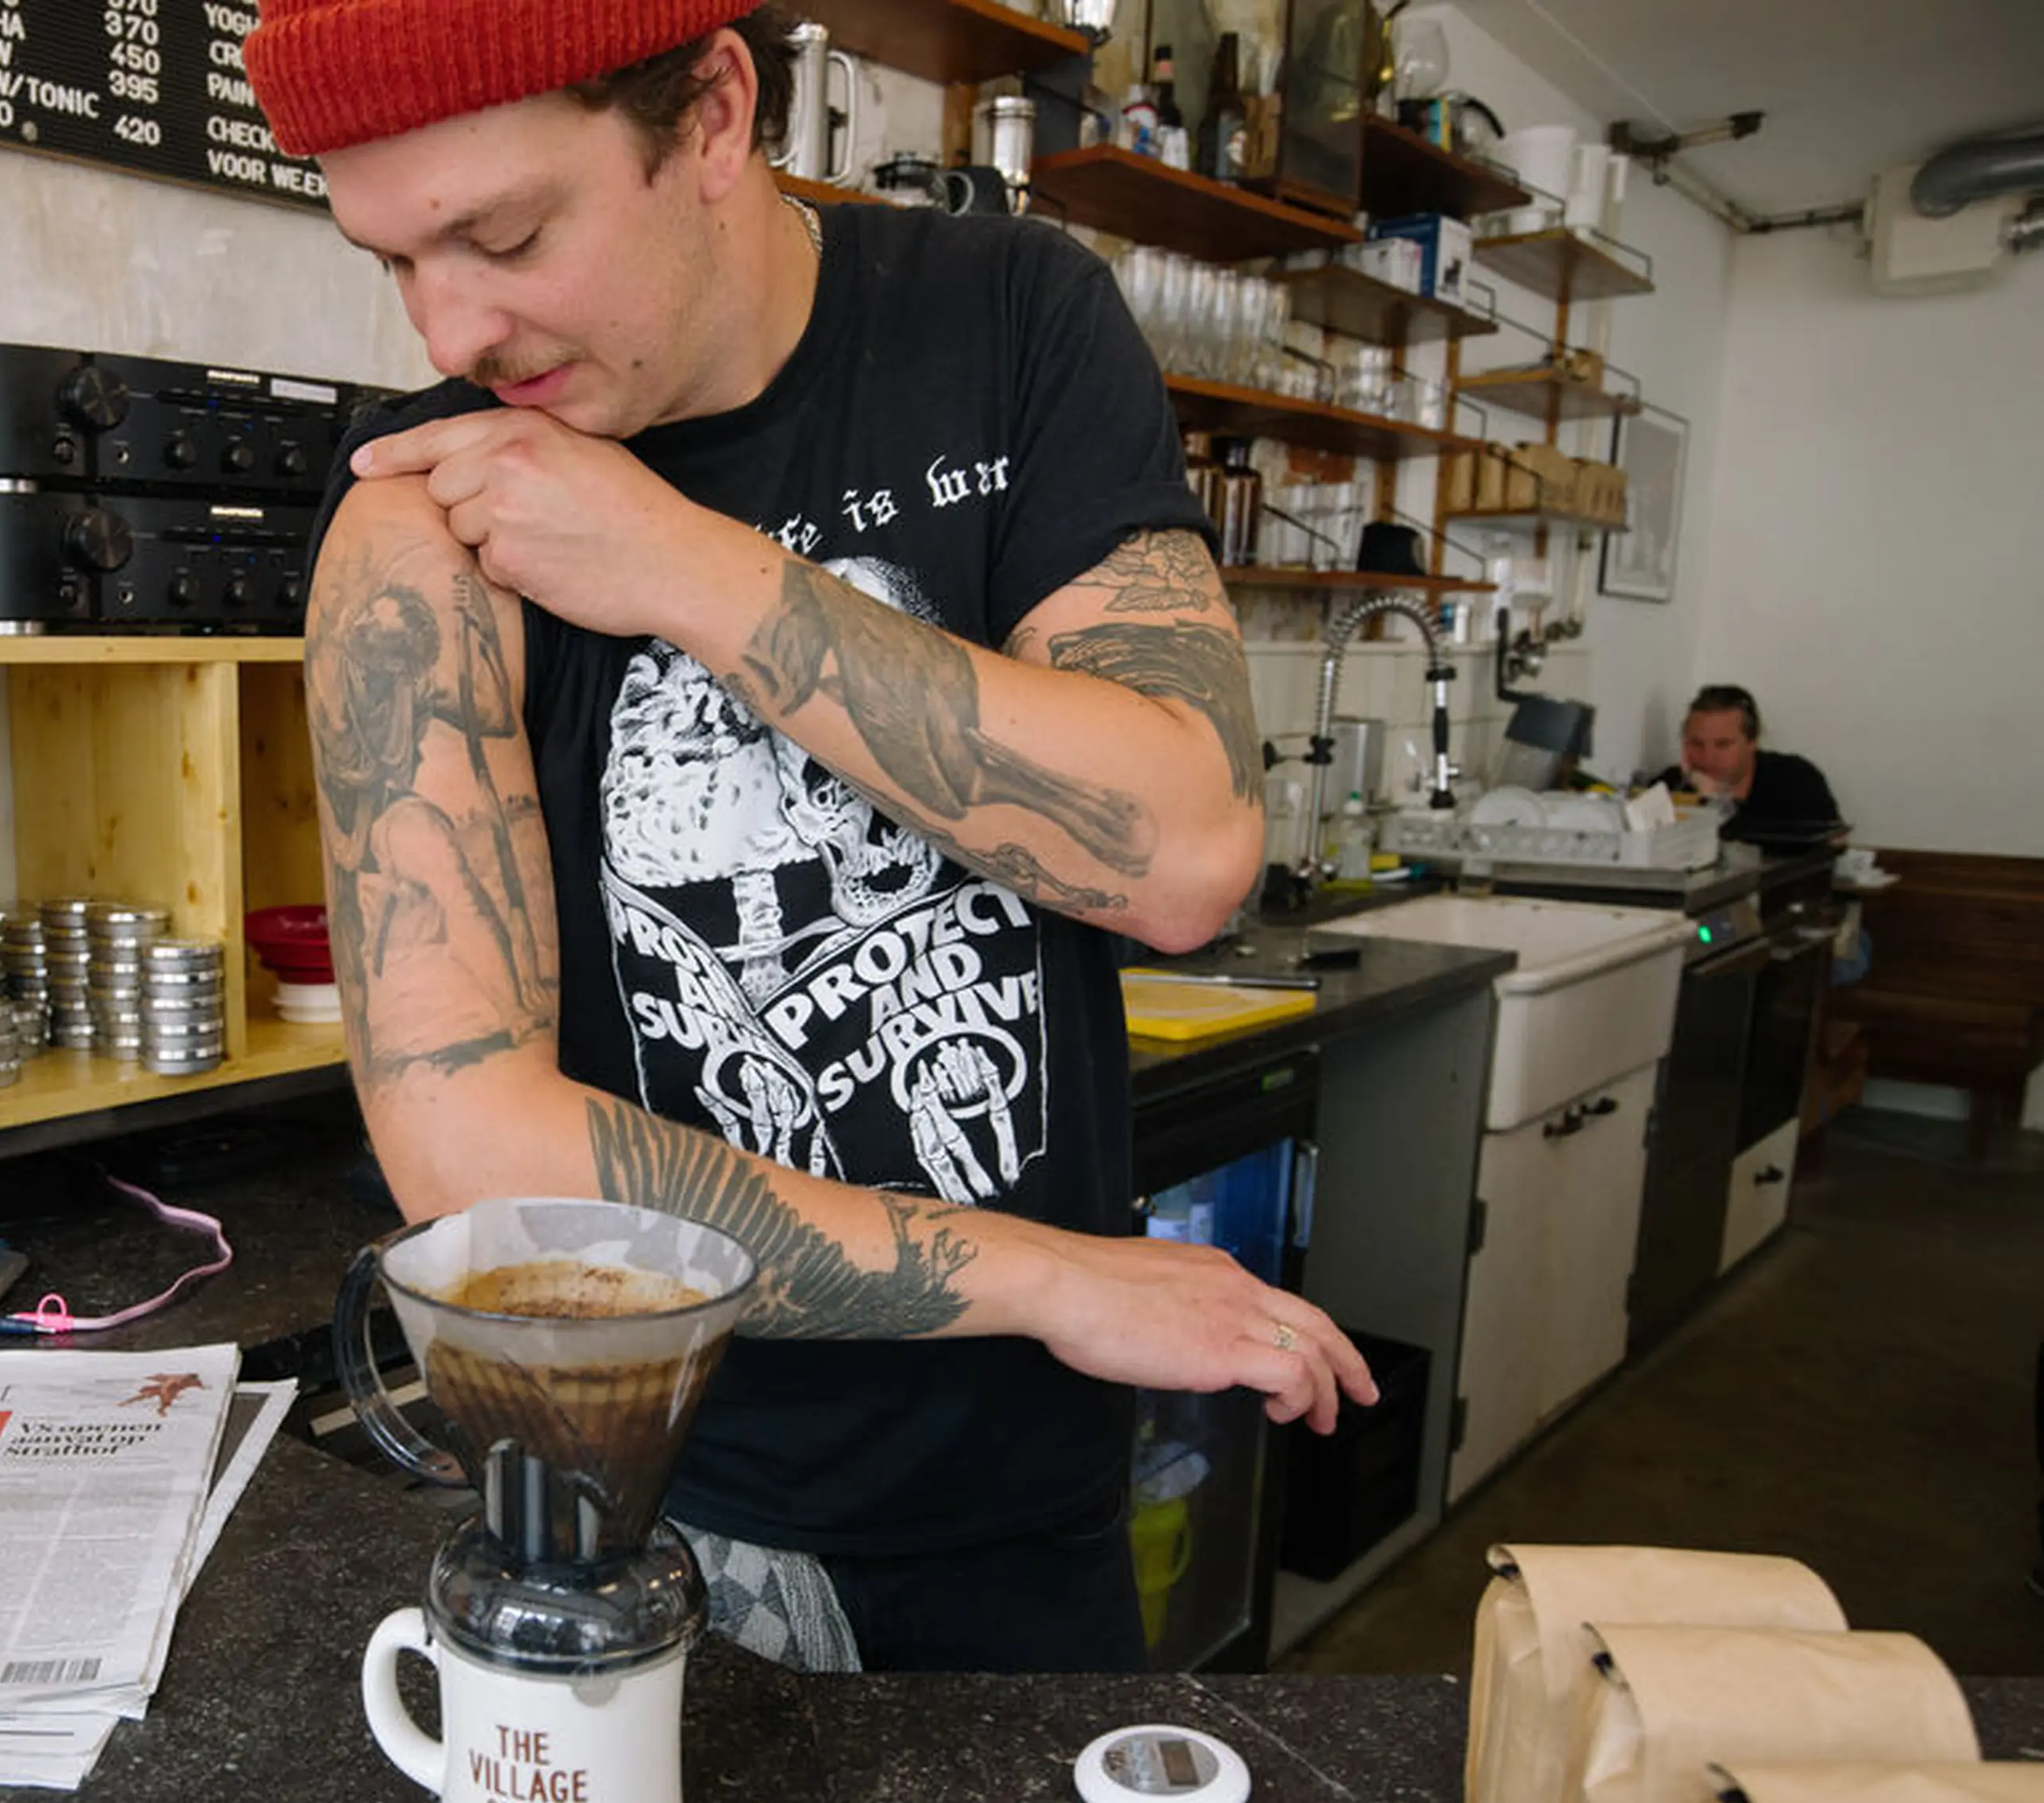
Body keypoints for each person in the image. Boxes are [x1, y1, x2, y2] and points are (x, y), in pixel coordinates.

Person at [243, 1, 1372, 1673]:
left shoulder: (1007, 315)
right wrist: (1054, 1278)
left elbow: (1185, 850)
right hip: (658, 1521)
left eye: (504, 234)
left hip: (1030, 1500)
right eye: (393, 259)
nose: (453, 326)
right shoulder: (423, 512)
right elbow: (469, 1152)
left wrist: (682, 566)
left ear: (711, 113)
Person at [1653, 685, 1846, 847]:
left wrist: (1717, 801)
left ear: (1752, 742)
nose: (1707, 758)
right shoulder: (1671, 786)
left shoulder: (1796, 779)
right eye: (1696, 744)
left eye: (1723, 745)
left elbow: (1835, 841)